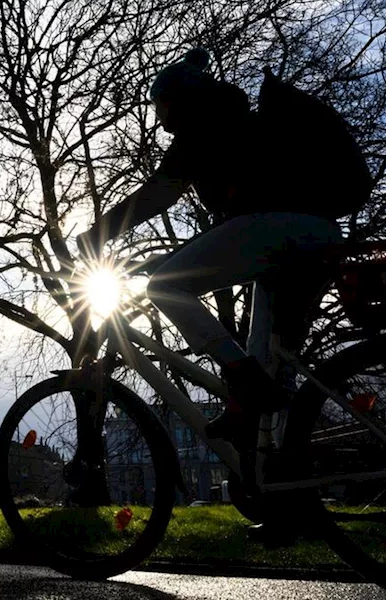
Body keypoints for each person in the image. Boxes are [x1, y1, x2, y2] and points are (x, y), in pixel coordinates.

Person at [76, 47, 345, 445]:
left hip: (274, 230)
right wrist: (172, 258)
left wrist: (98, 233)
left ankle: (244, 384)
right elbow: (230, 236)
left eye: (162, 106)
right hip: (314, 233)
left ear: (179, 99)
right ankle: (279, 472)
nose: (162, 120)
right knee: (268, 362)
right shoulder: (238, 124)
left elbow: (159, 195)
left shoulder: (203, 124)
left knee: (165, 287)